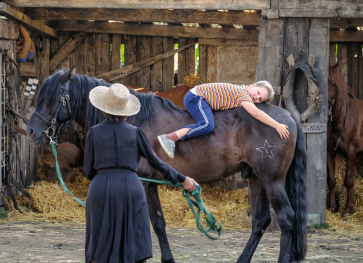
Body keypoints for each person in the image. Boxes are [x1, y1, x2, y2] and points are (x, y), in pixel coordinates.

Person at [83, 83, 198, 263]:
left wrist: (103, 178)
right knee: (133, 243)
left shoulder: (93, 132)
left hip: (101, 189)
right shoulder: (136, 133)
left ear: (103, 110)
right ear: (127, 112)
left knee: (101, 242)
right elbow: (156, 163)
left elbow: (88, 170)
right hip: (131, 188)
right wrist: (182, 178)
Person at [157, 81, 290, 159]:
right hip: (195, 97)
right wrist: (276, 125)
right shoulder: (243, 93)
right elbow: (255, 112)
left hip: (203, 99)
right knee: (207, 125)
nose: (257, 98)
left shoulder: (243, 93)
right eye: (258, 93)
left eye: (261, 99)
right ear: (253, 85)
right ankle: (171, 137)